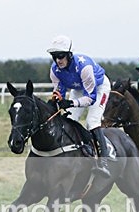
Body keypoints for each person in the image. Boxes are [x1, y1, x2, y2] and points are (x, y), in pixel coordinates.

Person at [47, 35, 111, 177]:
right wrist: (56, 101)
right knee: (70, 119)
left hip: (98, 88)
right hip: (78, 88)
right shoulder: (55, 70)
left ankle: (104, 161)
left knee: (92, 121)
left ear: (69, 55)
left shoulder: (84, 67)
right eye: (54, 56)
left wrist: (71, 103)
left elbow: (91, 98)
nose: (58, 60)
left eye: (61, 56)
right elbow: (59, 92)